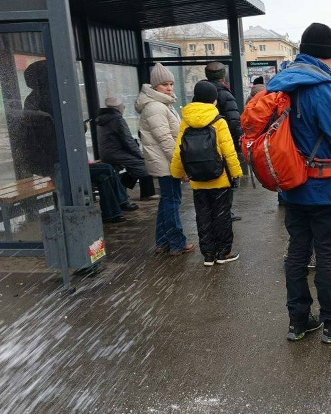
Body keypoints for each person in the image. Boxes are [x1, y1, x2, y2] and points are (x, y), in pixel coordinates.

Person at [265, 22, 331, 344]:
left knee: (296, 254)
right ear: (329, 56)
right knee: (326, 256)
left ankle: (299, 321)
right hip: (323, 187)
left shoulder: (279, 85)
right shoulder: (320, 87)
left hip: (291, 185)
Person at [170, 81, 243, 266]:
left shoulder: (186, 121)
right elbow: (228, 151)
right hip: (219, 178)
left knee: (202, 215)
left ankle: (208, 255)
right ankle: (223, 253)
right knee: (222, 215)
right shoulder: (219, 121)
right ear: (214, 100)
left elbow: (179, 150)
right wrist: (236, 173)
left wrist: (177, 173)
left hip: (197, 179)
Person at [136, 63, 193, 256]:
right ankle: (177, 243)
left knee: (167, 201)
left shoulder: (162, 105)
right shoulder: (155, 107)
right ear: (154, 87)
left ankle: (162, 242)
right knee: (172, 202)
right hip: (167, 163)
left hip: (165, 161)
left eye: (171, 84)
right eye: (164, 84)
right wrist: (180, 165)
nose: (169, 88)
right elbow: (165, 139)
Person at [96, 96, 157, 200]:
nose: (124, 109)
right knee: (143, 164)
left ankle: (120, 190)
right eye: (123, 107)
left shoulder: (103, 119)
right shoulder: (117, 119)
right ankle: (147, 194)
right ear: (119, 108)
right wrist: (139, 154)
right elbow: (127, 140)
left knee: (135, 166)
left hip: (107, 153)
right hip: (115, 153)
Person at [204, 61, 243, 222]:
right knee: (229, 177)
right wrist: (239, 139)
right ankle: (226, 211)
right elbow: (234, 121)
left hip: (206, 142)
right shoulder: (225, 94)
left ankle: (212, 211)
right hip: (225, 141)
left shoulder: (201, 92)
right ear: (223, 76)